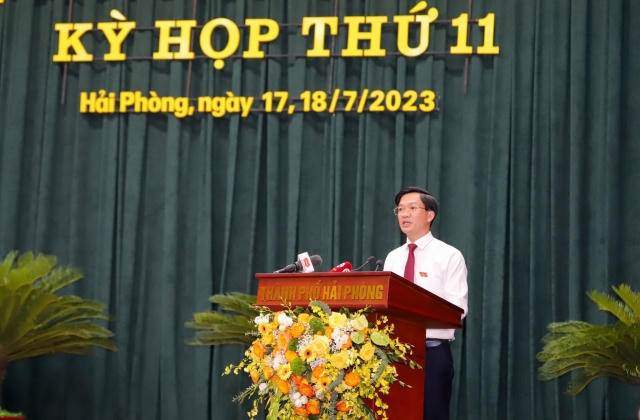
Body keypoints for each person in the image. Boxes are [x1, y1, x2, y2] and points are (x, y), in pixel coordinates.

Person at [383, 186, 468, 420]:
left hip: (432, 353)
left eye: (412, 208)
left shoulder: (449, 256)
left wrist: (417, 319)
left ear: (430, 215)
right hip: (393, 354)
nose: (404, 214)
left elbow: (458, 309)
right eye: (400, 209)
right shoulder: (393, 257)